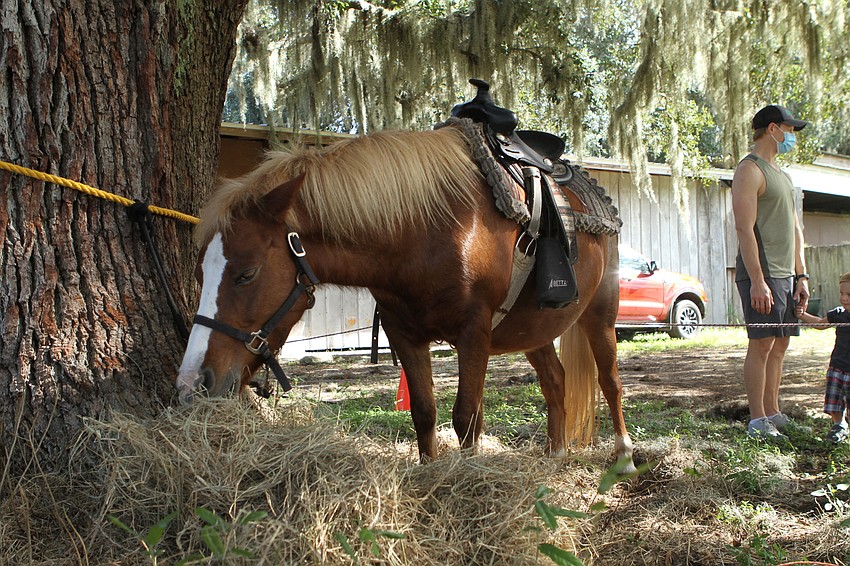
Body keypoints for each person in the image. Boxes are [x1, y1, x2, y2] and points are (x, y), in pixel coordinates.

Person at [731, 104, 810, 439]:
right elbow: (744, 229)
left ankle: (773, 412)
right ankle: (757, 419)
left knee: (780, 345)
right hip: (761, 275)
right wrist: (758, 281)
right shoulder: (749, 170)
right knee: (761, 345)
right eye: (789, 130)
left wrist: (801, 275)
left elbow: (795, 229)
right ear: (773, 129)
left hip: (786, 276)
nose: (791, 136)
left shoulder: (783, 175)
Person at [795, 272, 850, 443]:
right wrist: (801, 315)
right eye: (841, 293)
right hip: (838, 366)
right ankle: (839, 425)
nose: (844, 298)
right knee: (834, 400)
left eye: (849, 295)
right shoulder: (839, 314)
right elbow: (819, 324)